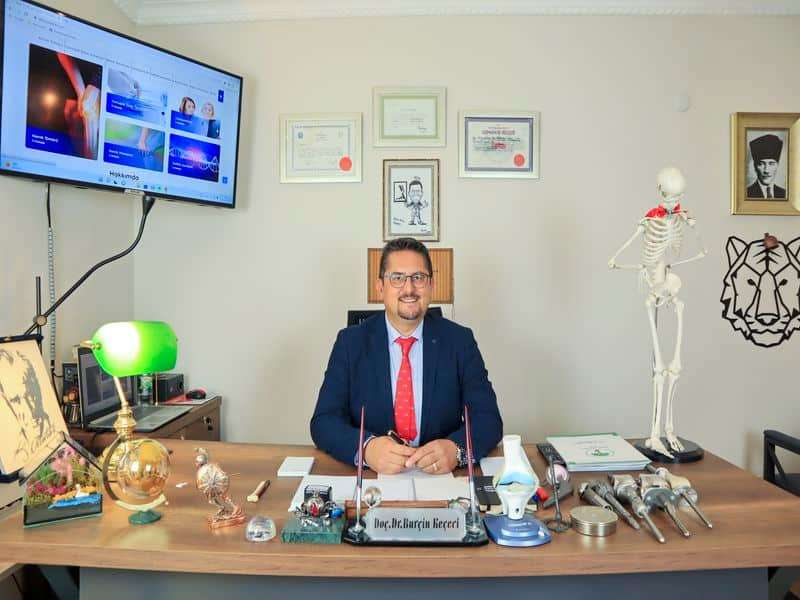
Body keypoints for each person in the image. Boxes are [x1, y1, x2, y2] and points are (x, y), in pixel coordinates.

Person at [310, 238, 503, 474]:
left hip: (441, 478)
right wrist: (366, 449)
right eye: (397, 278)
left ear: (431, 285)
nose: (409, 289)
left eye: (418, 277)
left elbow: (488, 419)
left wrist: (457, 449)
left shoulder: (460, 341)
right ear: (381, 287)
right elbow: (324, 421)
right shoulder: (350, 343)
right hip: (373, 479)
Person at [747, 133, 786, 199]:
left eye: (771, 164)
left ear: (777, 165)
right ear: (755, 166)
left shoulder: (784, 193)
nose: (766, 170)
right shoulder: (747, 194)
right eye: (761, 164)